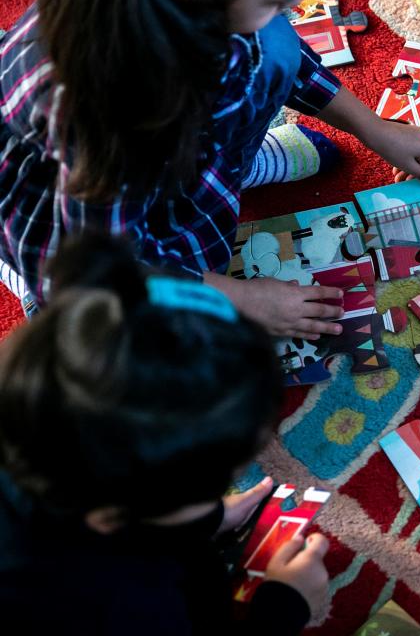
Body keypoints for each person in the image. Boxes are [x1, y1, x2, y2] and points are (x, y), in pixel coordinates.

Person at [0, 0, 420, 337]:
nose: (292, 6)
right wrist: (243, 300)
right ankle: (31, 283)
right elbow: (107, 265)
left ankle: (224, 169)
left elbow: (289, 57)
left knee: (273, 44)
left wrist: (372, 127)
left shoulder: (222, 16)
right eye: (273, 2)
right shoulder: (105, 118)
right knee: (136, 333)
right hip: (75, 231)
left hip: (176, 153)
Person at [0, 233, 330, 634]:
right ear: (123, 512)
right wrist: (284, 605)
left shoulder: (46, 440)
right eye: (216, 482)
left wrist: (203, 517)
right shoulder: (130, 608)